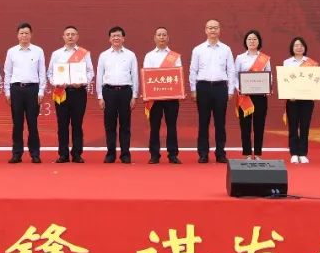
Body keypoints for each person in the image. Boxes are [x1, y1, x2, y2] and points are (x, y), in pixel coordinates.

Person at [189, 19, 234, 164]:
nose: (213, 30)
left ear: (219, 30)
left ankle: (220, 153)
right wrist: (193, 89)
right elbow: (193, 70)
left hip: (221, 88)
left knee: (220, 123)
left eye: (215, 28)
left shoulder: (226, 49)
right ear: (205, 30)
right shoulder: (198, 49)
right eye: (210, 28)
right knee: (203, 122)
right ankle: (203, 153)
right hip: (203, 87)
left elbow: (231, 70)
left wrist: (230, 90)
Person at [48, 25, 94, 164]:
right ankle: (63, 154)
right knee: (62, 124)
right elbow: (50, 73)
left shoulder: (84, 53)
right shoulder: (57, 54)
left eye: (73, 34)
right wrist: (56, 82)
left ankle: (77, 154)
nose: (70, 36)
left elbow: (90, 72)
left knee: (77, 124)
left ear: (77, 37)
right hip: (62, 92)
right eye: (67, 34)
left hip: (78, 92)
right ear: (63, 37)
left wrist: (82, 82)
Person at [5, 22, 46, 164]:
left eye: (26, 33)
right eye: (21, 33)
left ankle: (35, 153)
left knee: (32, 123)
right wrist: (7, 92)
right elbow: (7, 73)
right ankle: (17, 153)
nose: (24, 36)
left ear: (31, 35)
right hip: (16, 90)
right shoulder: (11, 51)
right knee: (17, 124)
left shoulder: (38, 51)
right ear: (17, 35)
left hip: (32, 90)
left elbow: (42, 72)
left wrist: (41, 91)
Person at [97, 26, 138, 164]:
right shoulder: (103, 55)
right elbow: (99, 76)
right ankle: (111, 154)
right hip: (108, 92)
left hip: (126, 92)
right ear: (109, 39)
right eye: (113, 36)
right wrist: (100, 96)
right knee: (110, 125)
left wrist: (134, 96)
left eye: (118, 36)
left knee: (125, 125)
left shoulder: (130, 55)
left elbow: (135, 76)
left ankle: (125, 154)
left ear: (123, 38)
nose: (116, 38)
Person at [143, 27, 182, 164]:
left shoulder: (175, 56)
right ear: (155, 38)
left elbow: (177, 75)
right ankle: (154, 154)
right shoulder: (149, 56)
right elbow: (147, 75)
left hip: (171, 96)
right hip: (155, 97)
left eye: (164, 35)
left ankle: (173, 154)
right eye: (159, 35)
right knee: (154, 126)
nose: (161, 37)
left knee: (172, 126)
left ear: (168, 38)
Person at [234, 30, 271, 160]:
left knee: (259, 125)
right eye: (249, 39)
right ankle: (247, 153)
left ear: (259, 41)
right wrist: (240, 89)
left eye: (254, 39)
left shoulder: (265, 58)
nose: (252, 41)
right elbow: (235, 75)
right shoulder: (240, 58)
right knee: (245, 126)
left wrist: (267, 87)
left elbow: (269, 76)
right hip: (245, 96)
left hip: (260, 96)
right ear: (245, 41)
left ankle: (258, 153)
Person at [283, 36, 318, 164]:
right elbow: (285, 81)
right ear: (292, 48)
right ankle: (293, 153)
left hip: (307, 99)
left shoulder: (311, 63)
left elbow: (315, 81)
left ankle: (303, 153)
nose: (299, 47)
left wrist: (313, 92)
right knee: (293, 126)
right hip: (292, 100)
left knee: (305, 126)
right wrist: (289, 94)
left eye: (301, 45)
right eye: (296, 45)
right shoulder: (287, 62)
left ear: (305, 48)